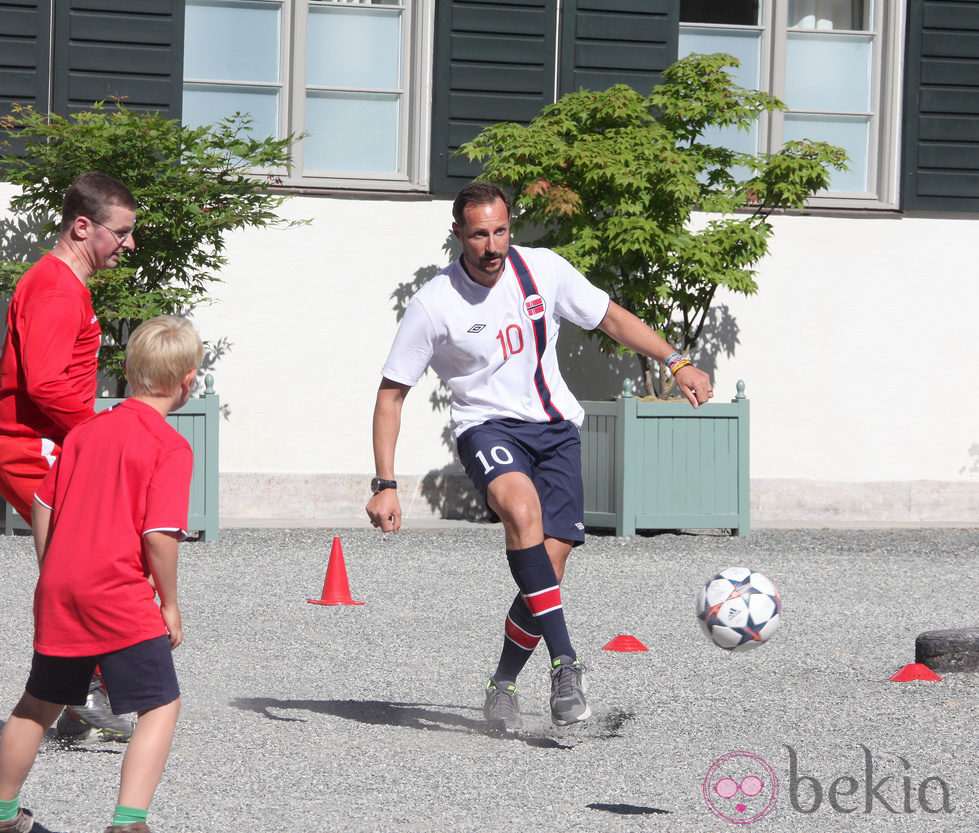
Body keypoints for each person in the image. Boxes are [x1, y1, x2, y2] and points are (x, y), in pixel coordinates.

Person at [365, 181, 714, 732]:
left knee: (545, 572)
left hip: (555, 432)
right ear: (458, 234)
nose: (492, 245)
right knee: (522, 514)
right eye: (479, 234)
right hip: (487, 429)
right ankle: (566, 666)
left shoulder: (544, 270)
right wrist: (384, 481)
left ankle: (502, 685)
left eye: (500, 231)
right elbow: (392, 393)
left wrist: (677, 362)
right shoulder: (435, 303)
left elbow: (613, 319)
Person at [0, 315, 204, 833]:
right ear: (187, 382)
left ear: (131, 373)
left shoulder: (86, 432)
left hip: (63, 590)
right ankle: (128, 822)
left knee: (37, 703)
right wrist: (170, 603)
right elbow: (159, 535)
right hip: (117, 594)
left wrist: (52, 569)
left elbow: (43, 503)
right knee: (160, 704)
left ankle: (1, 813)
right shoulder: (170, 446)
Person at [0, 171, 138, 740]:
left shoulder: (61, 284)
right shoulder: (56, 287)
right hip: (34, 451)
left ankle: (79, 695)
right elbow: (47, 386)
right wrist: (98, 435)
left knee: (79, 568)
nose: (129, 245)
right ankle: (85, 696)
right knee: (84, 571)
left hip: (46, 447)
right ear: (84, 227)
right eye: (122, 232)